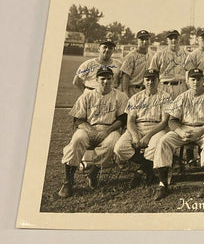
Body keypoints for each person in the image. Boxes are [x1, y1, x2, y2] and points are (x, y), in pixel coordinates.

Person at [59, 66, 128, 197]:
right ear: (96, 79)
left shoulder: (120, 96)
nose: (106, 82)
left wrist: (108, 130)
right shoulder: (87, 95)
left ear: (113, 79)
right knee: (77, 140)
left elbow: (122, 119)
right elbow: (78, 119)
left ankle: (93, 172)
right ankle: (68, 180)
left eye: (109, 78)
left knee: (113, 141)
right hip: (87, 127)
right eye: (102, 78)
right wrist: (90, 130)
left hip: (109, 128)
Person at [153, 68, 204, 199]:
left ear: (203, 80)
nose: (196, 82)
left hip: (203, 129)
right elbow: (172, 121)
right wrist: (180, 132)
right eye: (193, 79)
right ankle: (162, 184)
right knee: (164, 140)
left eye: (198, 79)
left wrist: (199, 133)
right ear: (188, 81)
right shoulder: (182, 97)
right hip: (184, 128)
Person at [113, 69, 172, 192]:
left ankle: (140, 171)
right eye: (148, 79)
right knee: (120, 148)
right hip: (137, 127)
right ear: (143, 81)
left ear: (158, 81)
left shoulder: (165, 97)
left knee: (154, 147)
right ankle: (147, 168)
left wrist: (148, 136)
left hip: (156, 128)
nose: (150, 82)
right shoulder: (136, 97)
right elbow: (130, 121)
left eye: (153, 79)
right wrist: (135, 136)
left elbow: (164, 122)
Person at [149, 29, 187, 98]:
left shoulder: (186, 54)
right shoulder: (159, 54)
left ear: (179, 39)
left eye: (175, 38)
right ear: (167, 40)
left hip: (181, 87)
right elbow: (152, 73)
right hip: (164, 86)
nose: (173, 40)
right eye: (171, 38)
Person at [120, 30, 152, 97]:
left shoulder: (152, 55)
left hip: (148, 89)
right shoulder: (131, 56)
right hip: (134, 89)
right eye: (142, 39)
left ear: (149, 41)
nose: (145, 42)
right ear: (137, 41)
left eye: (147, 39)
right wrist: (125, 94)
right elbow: (125, 77)